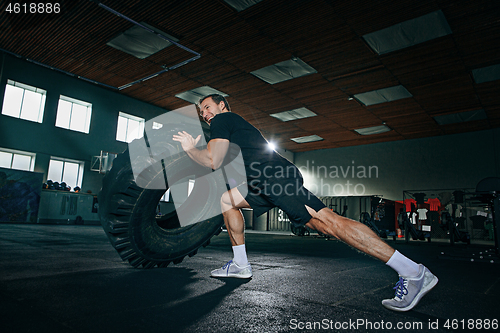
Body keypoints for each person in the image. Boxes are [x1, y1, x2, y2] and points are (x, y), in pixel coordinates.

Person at [172, 94, 438, 312]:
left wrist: (188, 148)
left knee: (328, 223)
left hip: (274, 178)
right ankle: (240, 264)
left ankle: (413, 272)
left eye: (207, 107)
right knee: (227, 200)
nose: (204, 114)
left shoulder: (224, 119)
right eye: (201, 112)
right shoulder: (228, 128)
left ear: (222, 105)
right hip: (262, 183)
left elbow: (212, 160)